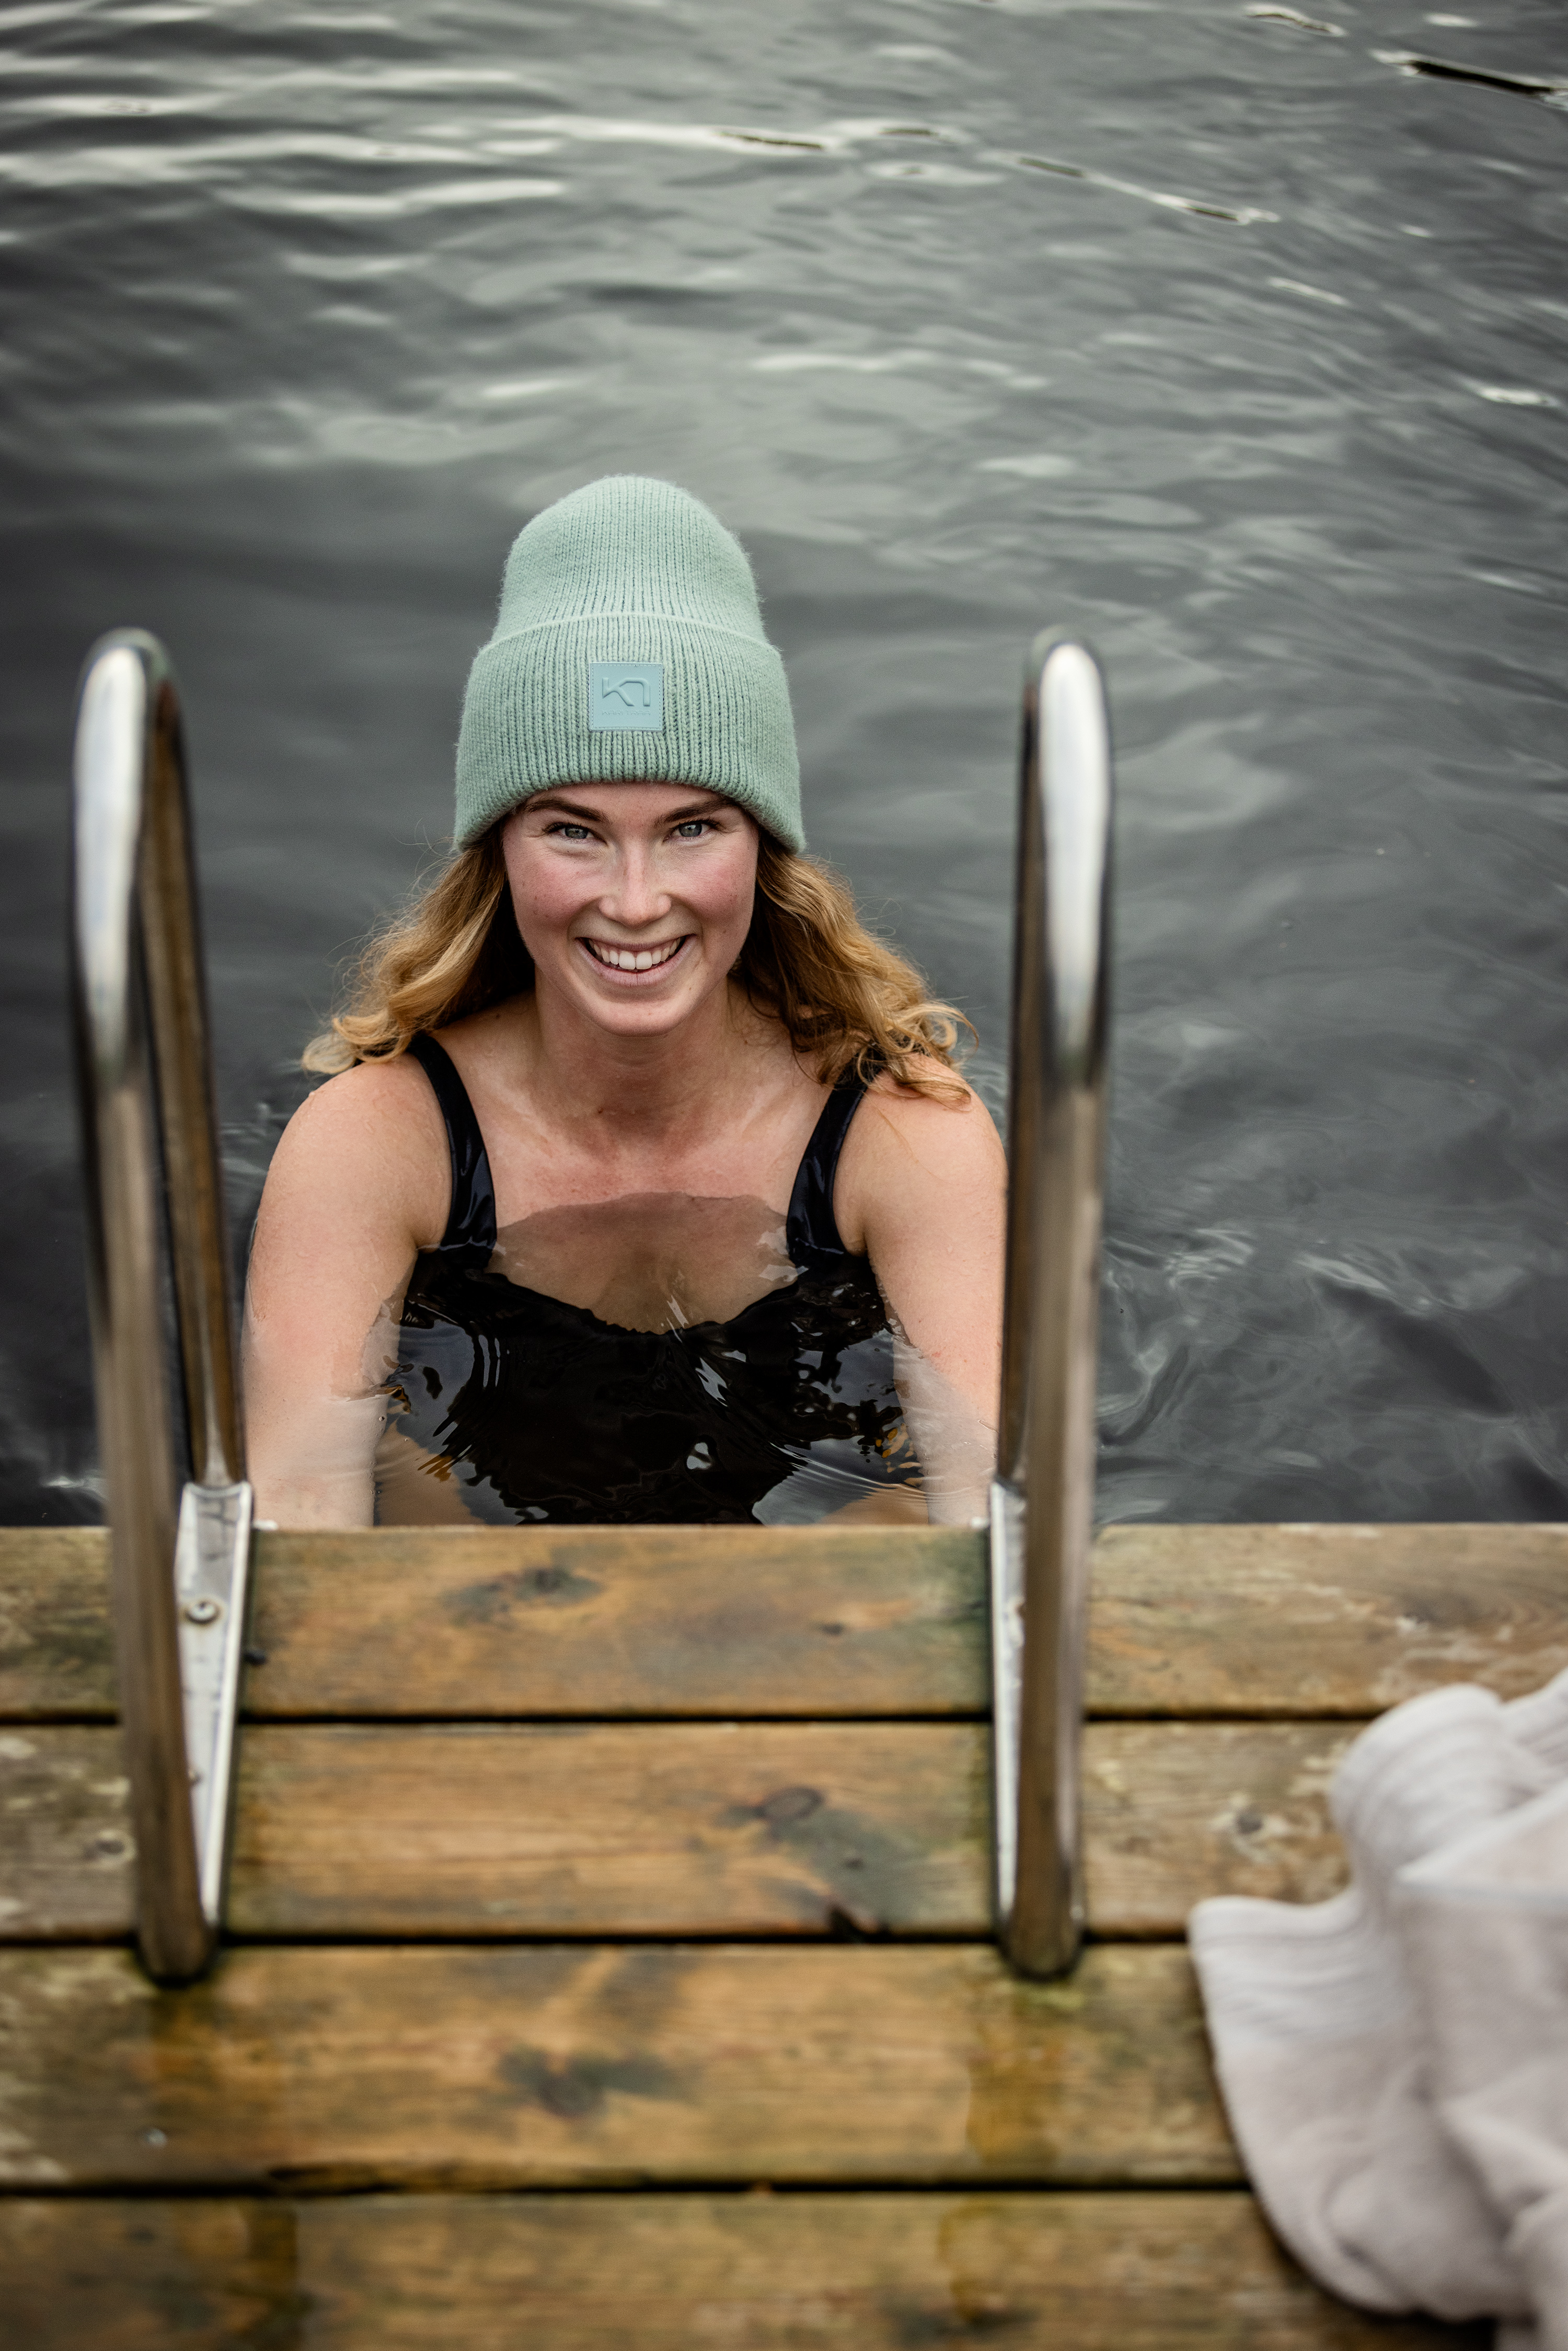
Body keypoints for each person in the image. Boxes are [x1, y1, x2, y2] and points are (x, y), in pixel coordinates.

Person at [244, 476, 1006, 1529]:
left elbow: (983, 1500)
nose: (637, 902)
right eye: (573, 829)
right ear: (499, 846)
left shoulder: (907, 1134)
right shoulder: (376, 1140)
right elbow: (300, 1510)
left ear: (765, 849)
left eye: (694, 826)